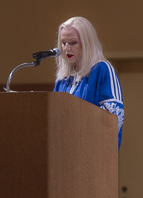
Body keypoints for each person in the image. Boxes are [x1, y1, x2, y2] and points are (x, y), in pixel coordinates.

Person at [53, 16, 124, 150]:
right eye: (63, 43)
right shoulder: (63, 78)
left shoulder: (102, 69)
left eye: (73, 43)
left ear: (87, 43)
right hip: (64, 154)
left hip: (94, 153)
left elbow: (114, 119)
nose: (66, 48)